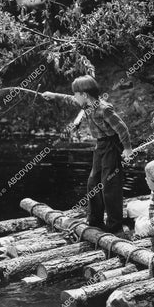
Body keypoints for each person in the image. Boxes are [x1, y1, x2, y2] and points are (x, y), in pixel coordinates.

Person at [42, 75, 133, 234]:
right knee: (93, 182)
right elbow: (69, 98)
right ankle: (95, 221)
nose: (74, 97)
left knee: (110, 186)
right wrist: (53, 95)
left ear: (84, 94)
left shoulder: (104, 109)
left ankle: (114, 226)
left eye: (76, 94)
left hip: (112, 146)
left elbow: (122, 129)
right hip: (100, 146)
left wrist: (127, 149)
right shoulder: (86, 105)